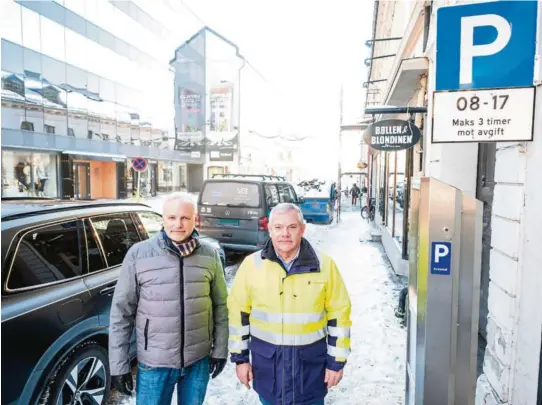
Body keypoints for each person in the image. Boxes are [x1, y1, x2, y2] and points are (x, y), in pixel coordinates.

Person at [109, 193, 228, 405]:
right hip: (155, 363)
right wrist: (119, 365)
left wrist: (219, 350)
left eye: (185, 218)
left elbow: (220, 306)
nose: (178, 224)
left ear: (195, 219)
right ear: (163, 219)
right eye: (172, 218)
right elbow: (121, 312)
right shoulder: (139, 254)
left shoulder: (210, 255)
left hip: (197, 361)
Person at [228, 203, 352, 405]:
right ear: (269, 229)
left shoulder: (325, 266)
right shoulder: (251, 266)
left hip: (310, 373)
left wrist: (336, 363)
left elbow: (340, 316)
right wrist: (240, 360)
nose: (285, 233)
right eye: (278, 227)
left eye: (292, 227)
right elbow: (237, 316)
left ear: (302, 229)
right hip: (268, 371)